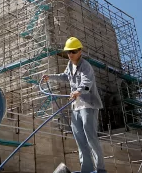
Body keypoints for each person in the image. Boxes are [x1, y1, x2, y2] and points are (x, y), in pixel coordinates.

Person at [42, 36, 106, 173]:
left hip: (88, 105)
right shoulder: (70, 65)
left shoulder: (85, 66)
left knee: (90, 137)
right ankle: (87, 169)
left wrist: (78, 91)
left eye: (73, 51)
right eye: (68, 52)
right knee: (80, 139)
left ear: (80, 51)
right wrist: (50, 77)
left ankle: (100, 169)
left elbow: (87, 82)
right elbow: (65, 77)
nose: (70, 54)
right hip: (76, 107)